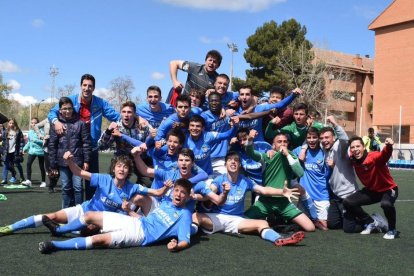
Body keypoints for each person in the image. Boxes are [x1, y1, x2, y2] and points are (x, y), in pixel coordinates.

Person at [0, 152, 170, 237]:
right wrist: (69, 161)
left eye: (125, 167)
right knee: (50, 216)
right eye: (119, 166)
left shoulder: (132, 188)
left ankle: (71, 231)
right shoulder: (103, 179)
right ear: (114, 168)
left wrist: (166, 187)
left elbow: (155, 192)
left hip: (100, 221)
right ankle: (10, 228)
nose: (122, 169)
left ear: (128, 171)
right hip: (84, 210)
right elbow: (80, 173)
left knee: (89, 230)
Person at [38, 178, 194, 253]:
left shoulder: (185, 214)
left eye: (183, 193)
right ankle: (58, 230)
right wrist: (131, 212)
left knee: (99, 239)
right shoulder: (167, 201)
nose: (178, 194)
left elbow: (185, 241)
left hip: (140, 235)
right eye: (177, 190)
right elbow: (148, 217)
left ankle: (54, 245)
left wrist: (175, 247)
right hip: (137, 222)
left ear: (187, 197)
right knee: (90, 215)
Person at [192, 151, 305, 247]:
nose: (233, 162)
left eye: (236, 160)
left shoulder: (245, 181)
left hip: (236, 220)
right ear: (225, 164)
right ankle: (186, 235)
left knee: (262, 223)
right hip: (217, 218)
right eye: (230, 160)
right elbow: (209, 194)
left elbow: (263, 190)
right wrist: (195, 196)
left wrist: (282, 192)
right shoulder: (218, 180)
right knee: (195, 216)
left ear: (239, 165)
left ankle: (279, 239)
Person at [48, 74, 120, 200]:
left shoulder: (100, 103)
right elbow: (52, 112)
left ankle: (89, 211)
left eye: (90, 86)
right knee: (70, 185)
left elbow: (116, 116)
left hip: (91, 148)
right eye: (85, 85)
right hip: (73, 149)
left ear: (94, 88)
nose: (87, 88)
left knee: (91, 182)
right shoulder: (71, 100)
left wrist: (137, 119)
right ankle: (70, 212)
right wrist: (56, 122)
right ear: (81, 86)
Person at [319, 116, 387, 233]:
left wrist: (335, 124)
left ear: (333, 138)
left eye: (327, 137)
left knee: (349, 229)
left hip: (347, 195)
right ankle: (352, 216)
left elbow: (344, 140)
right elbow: (312, 141)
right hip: (335, 197)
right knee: (333, 224)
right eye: (322, 138)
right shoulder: (325, 149)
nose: (324, 140)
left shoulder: (339, 148)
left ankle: (373, 220)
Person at [244, 132, 315, 232]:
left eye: (285, 142)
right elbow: (250, 152)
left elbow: (300, 173)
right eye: (279, 141)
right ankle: (267, 222)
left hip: (284, 203)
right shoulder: (267, 157)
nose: (282, 144)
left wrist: (287, 155)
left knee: (310, 227)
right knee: (242, 221)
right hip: (265, 202)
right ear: (274, 145)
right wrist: (250, 139)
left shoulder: (291, 156)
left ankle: (279, 223)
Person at [345, 136, 398, 239]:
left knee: (386, 204)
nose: (355, 149)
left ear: (364, 147)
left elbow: (384, 155)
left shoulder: (373, 157)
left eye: (358, 146)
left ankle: (392, 230)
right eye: (353, 147)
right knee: (348, 202)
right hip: (372, 191)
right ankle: (371, 222)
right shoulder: (353, 159)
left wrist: (389, 146)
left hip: (388, 189)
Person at [49, 97, 91, 208]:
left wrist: (86, 160)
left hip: (77, 161)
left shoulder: (80, 124)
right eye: (64, 109)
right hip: (62, 163)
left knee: (78, 187)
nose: (67, 111)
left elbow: (86, 143)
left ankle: (80, 212)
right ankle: (66, 212)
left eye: (69, 108)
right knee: (65, 187)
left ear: (73, 108)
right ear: (60, 110)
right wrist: (52, 164)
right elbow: (52, 146)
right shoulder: (56, 125)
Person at [98, 101, 152, 186]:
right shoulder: (116, 127)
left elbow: (154, 139)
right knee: (115, 184)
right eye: (123, 112)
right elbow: (101, 146)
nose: (126, 115)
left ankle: (139, 191)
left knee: (149, 182)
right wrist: (108, 131)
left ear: (134, 114)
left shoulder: (143, 125)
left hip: (141, 159)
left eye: (129, 112)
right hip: (122, 159)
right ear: (120, 113)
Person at [293, 127, 331, 230]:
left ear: (319, 139)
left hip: (321, 196)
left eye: (314, 137)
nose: (311, 140)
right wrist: (272, 151)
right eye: (309, 138)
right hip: (305, 196)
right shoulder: (300, 151)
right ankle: (312, 218)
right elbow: (285, 153)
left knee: (324, 226)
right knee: (300, 225)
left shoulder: (324, 153)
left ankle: (314, 218)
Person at [33, 118, 56, 192]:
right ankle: (51, 185)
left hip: (58, 147)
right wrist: (40, 135)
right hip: (47, 146)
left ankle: (53, 183)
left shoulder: (62, 120)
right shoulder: (47, 120)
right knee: (48, 167)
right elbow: (36, 126)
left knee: (57, 167)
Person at [22, 118, 46, 188]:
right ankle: (28, 180)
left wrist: (36, 140)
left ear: (38, 124)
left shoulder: (42, 132)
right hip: (32, 151)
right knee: (28, 164)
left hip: (40, 152)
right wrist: (24, 148)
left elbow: (44, 142)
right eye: (32, 123)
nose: (33, 124)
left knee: (41, 167)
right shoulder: (30, 132)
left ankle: (43, 181)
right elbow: (29, 142)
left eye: (35, 123)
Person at [1, 118, 25, 185]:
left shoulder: (18, 131)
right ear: (8, 123)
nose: (11, 124)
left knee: (17, 164)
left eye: (12, 123)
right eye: (10, 123)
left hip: (15, 152)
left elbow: (21, 142)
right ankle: (4, 179)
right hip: (7, 151)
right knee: (6, 165)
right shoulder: (5, 131)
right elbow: (3, 141)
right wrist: (2, 151)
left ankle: (22, 177)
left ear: (15, 124)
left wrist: (21, 150)